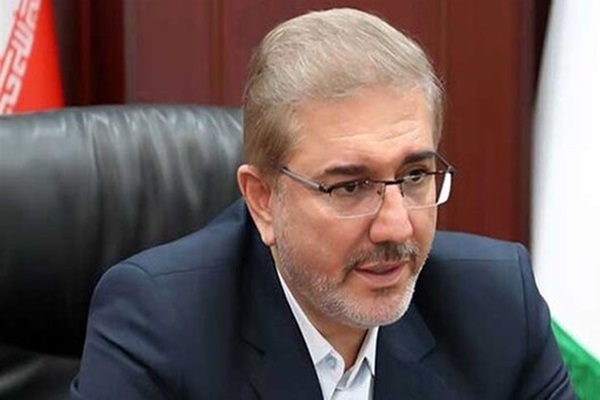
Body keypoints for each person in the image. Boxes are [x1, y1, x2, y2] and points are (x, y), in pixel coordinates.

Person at [71, 8, 574, 399]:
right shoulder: (159, 324)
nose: (396, 227)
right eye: (351, 187)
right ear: (263, 200)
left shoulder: (497, 305)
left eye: (415, 176)